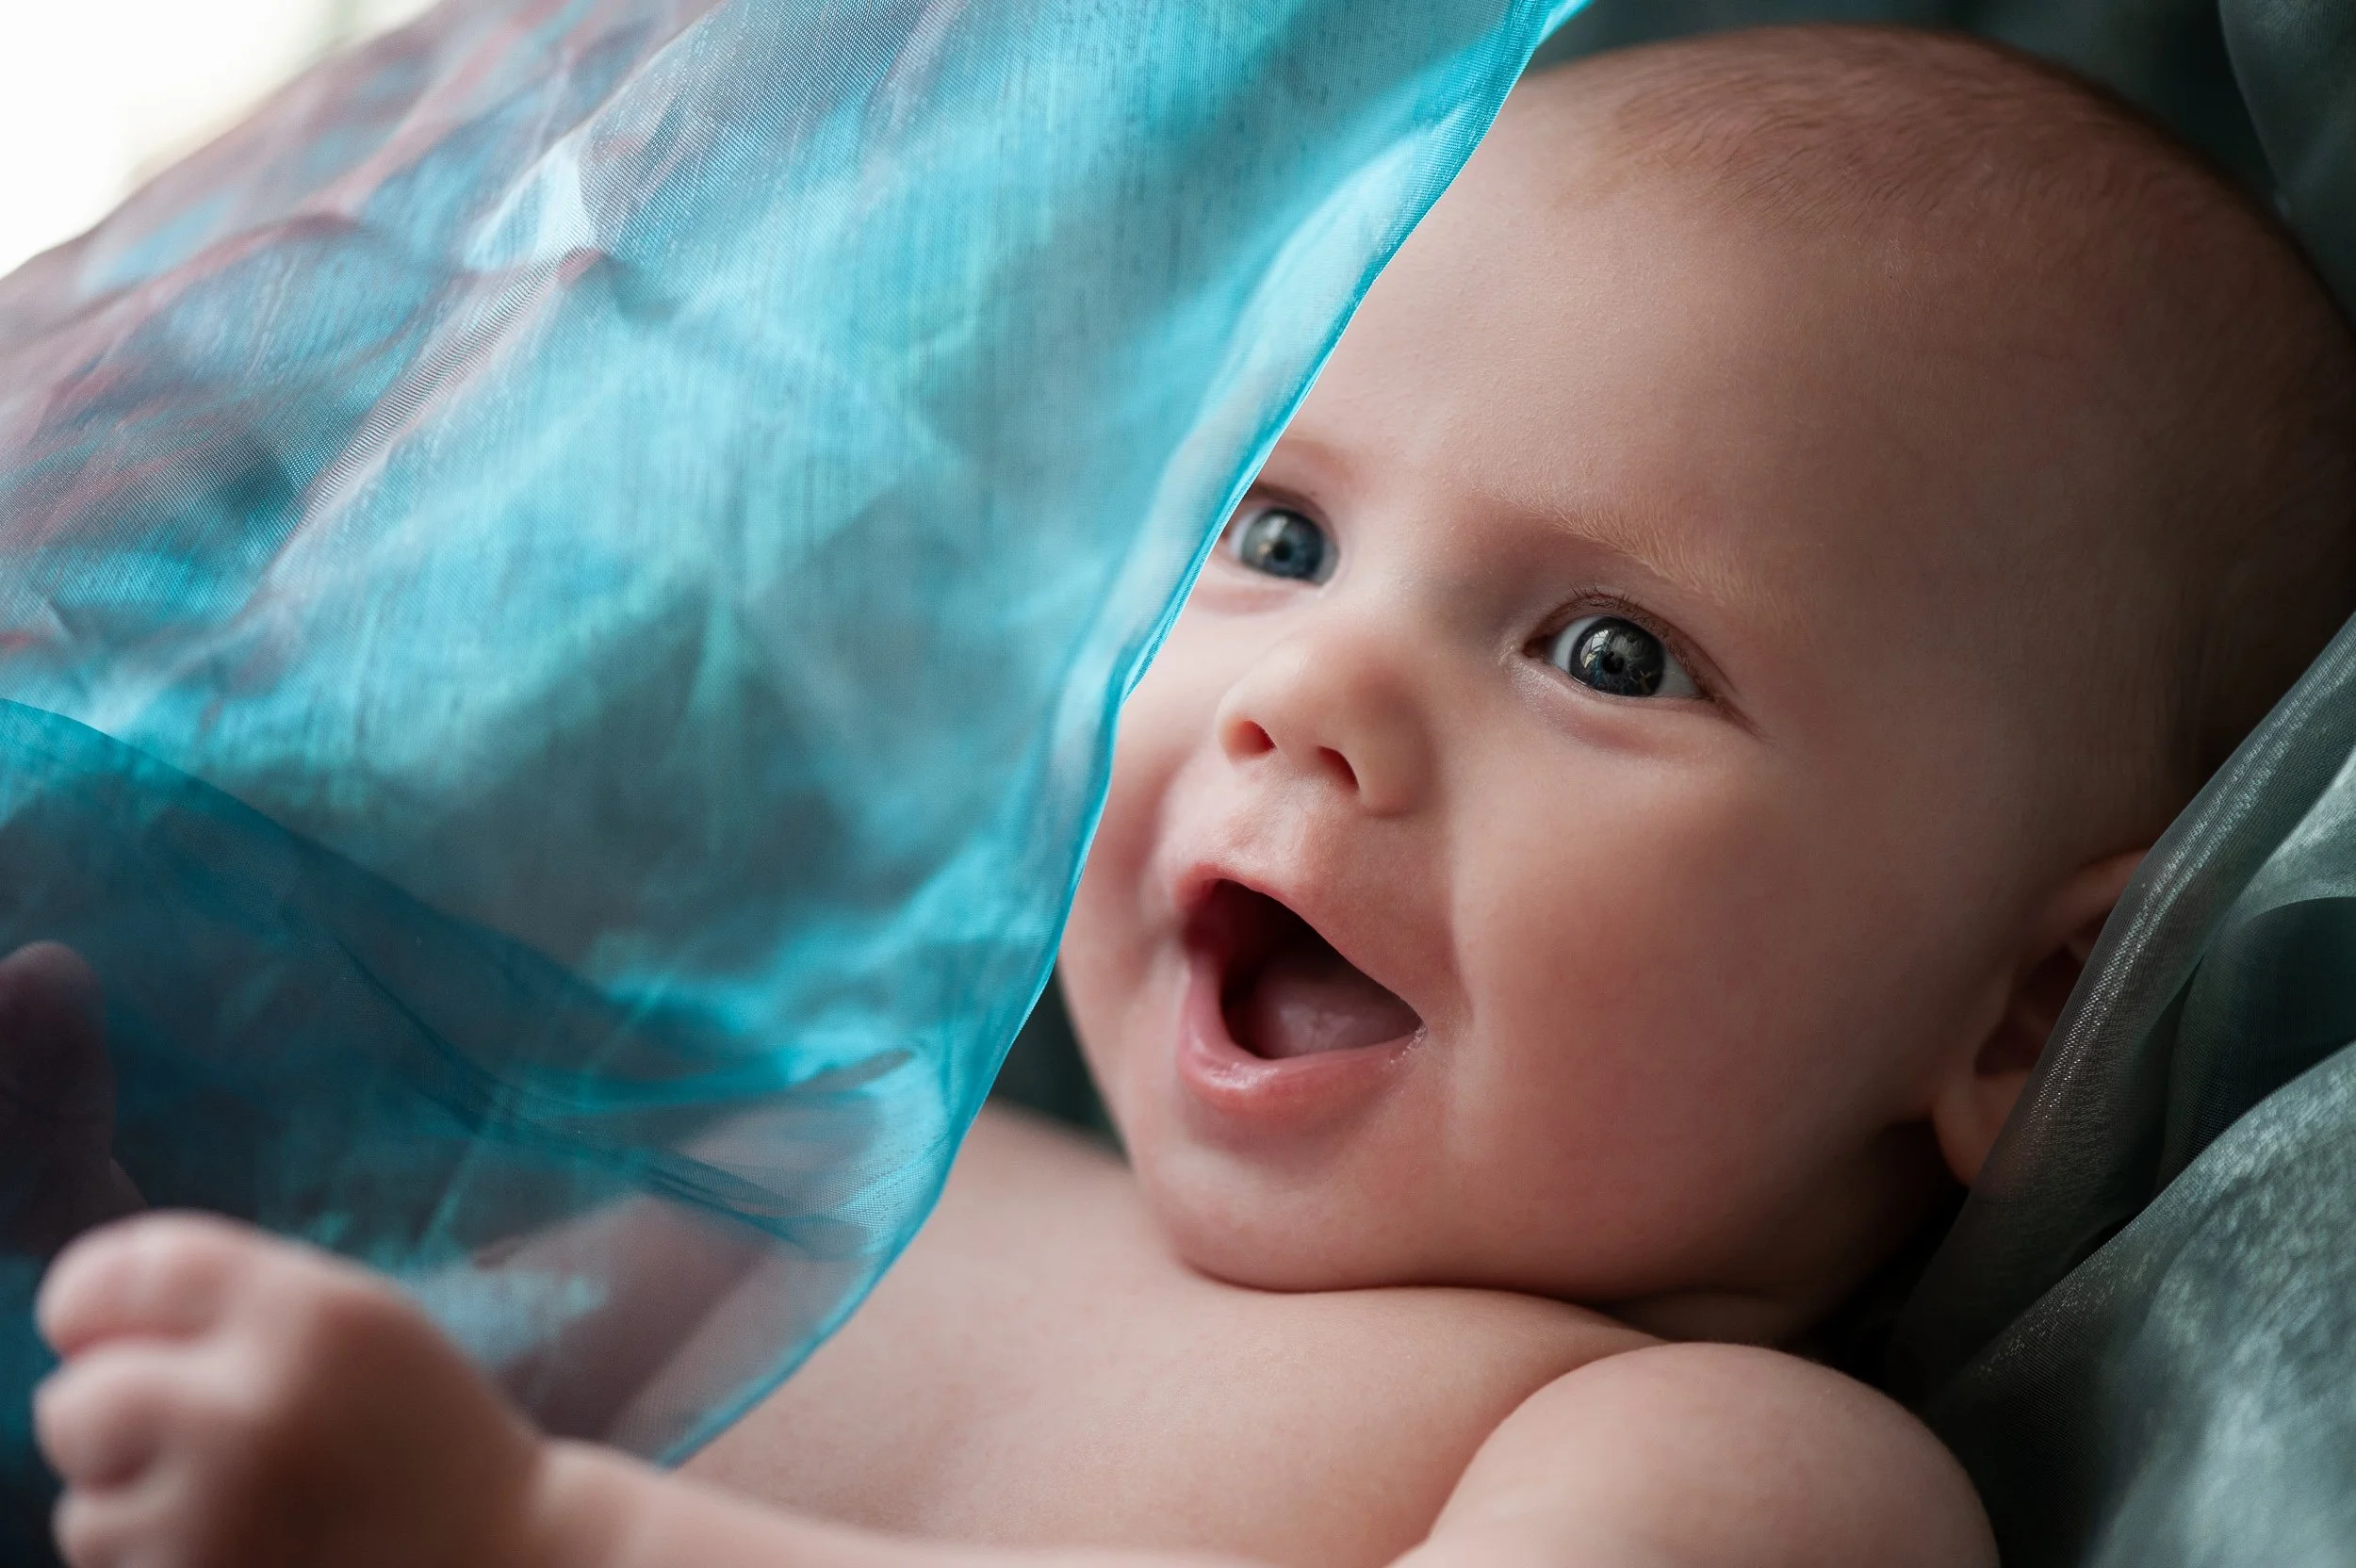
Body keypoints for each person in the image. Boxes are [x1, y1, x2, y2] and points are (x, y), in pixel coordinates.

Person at [21, 23, 2356, 1568]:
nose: (1306, 692)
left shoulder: (1713, 1465)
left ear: (2022, 1015)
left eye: (1609, 653)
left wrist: (537, 1540)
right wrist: (100, 1253)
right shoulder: (907, 1169)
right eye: (1276, 535)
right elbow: (387, 1333)